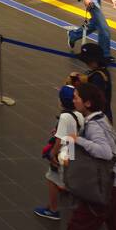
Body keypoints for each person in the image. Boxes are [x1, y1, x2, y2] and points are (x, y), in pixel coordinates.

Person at [56, 80, 116, 230]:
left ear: (87, 103)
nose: (74, 101)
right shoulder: (102, 118)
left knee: (80, 225)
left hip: (105, 185)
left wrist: (77, 139)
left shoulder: (93, 125)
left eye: (77, 98)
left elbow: (105, 152)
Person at [35, 84, 84, 221]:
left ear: (61, 101)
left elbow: (59, 139)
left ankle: (53, 209)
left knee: (51, 177)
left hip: (64, 151)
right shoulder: (78, 114)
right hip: (74, 150)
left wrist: (53, 154)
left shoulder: (64, 117)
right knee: (68, 176)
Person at [73, 42, 113, 122]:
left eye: (88, 61)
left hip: (97, 118)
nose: (86, 63)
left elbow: (94, 99)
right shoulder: (101, 72)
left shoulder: (98, 77)